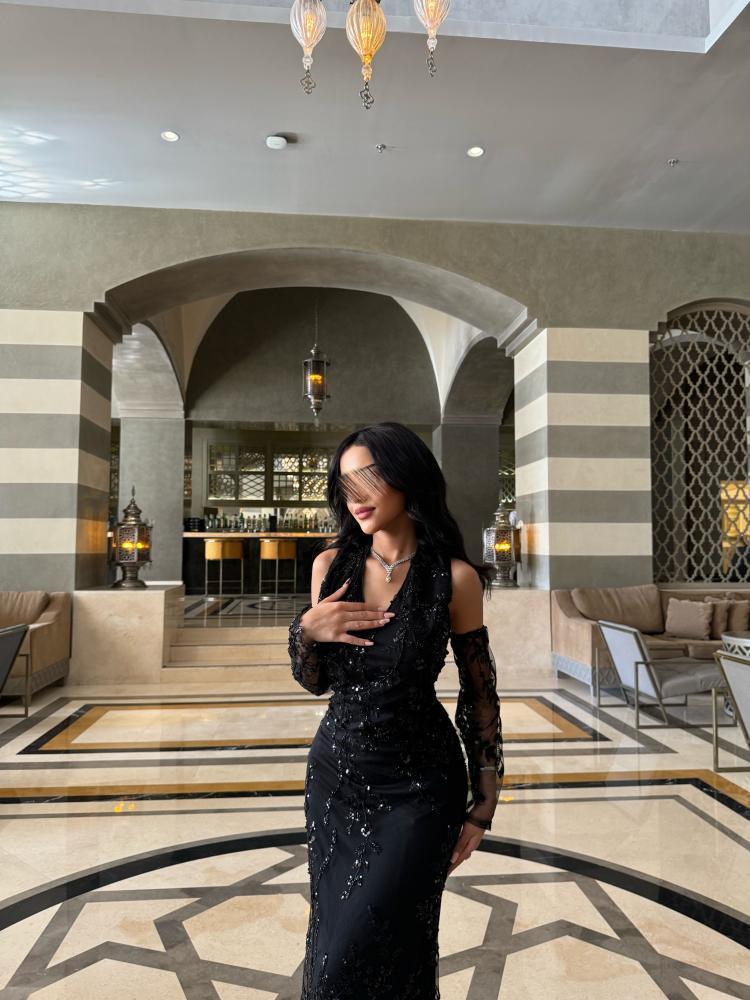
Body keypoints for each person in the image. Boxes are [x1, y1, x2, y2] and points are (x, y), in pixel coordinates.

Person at [288, 420, 504, 999]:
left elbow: (479, 695)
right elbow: (315, 682)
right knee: (333, 950)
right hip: (337, 779)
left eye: (368, 478)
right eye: (344, 484)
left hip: (419, 789)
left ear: (407, 477)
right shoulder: (329, 566)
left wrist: (482, 806)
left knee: (394, 945)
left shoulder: (455, 579)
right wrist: (306, 632)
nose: (354, 497)